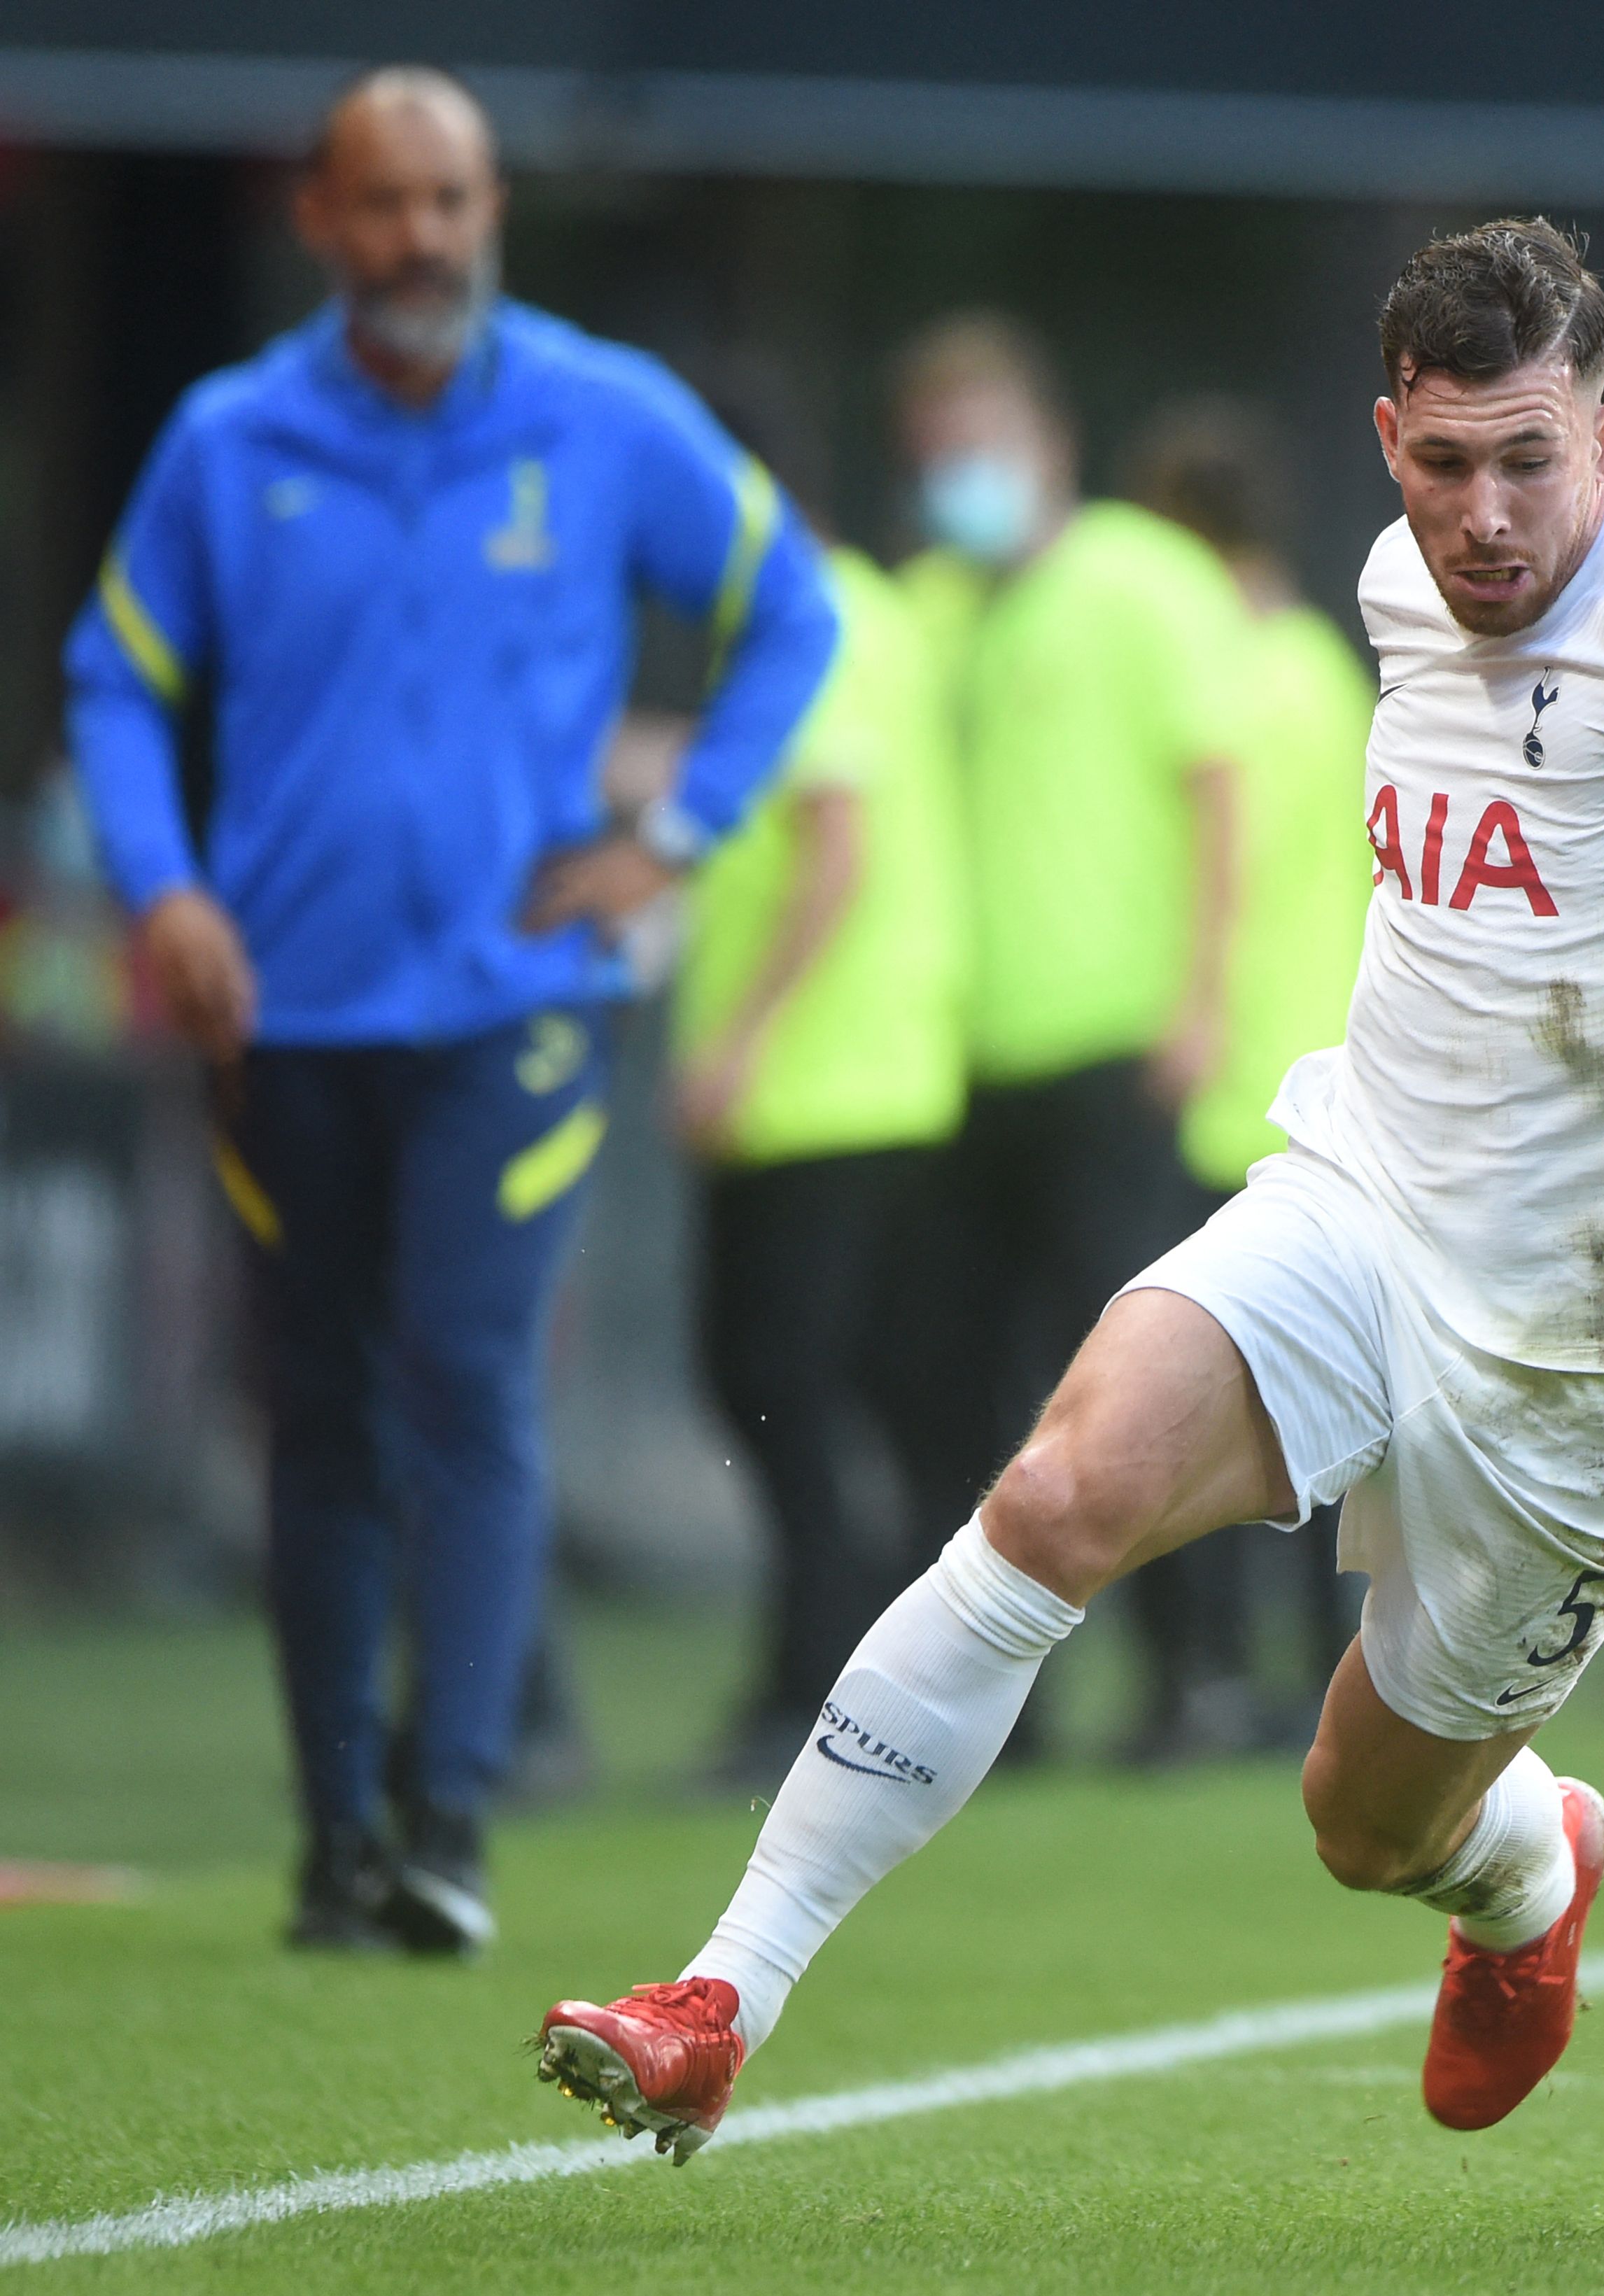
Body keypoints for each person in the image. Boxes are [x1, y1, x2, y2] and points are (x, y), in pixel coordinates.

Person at [536, 216, 1604, 2160]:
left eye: (1531, 463)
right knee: (1056, 1486)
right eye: (1440, 464)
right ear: (1387, 433)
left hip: (1591, 1334)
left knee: (1364, 1824)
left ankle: (1529, 1874)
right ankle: (725, 1992)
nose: (1482, 519)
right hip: (1364, 1193)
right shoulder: (1398, 584)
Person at [62, 67, 836, 1954]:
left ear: (491, 214)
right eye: (386, 204)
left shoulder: (598, 417)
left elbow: (790, 605)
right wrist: (165, 892)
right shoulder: (229, 441)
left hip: (516, 1001)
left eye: (455, 201)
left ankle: (452, 1822)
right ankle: (339, 1835)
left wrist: (676, 832)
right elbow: (110, 680)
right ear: (321, 221)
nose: (423, 238)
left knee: (471, 1382)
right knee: (318, 1414)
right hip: (286, 1014)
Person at [868, 318, 1253, 1756]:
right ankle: (997, 1707)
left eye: (976, 445)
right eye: (935, 455)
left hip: (1111, 1053)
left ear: (1047, 444)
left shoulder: (1144, 585)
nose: (955, 477)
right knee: (961, 1383)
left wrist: (1199, 998)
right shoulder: (929, 611)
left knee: (1148, 1394)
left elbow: (1221, 794)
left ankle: (1192, 1674)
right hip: (966, 1062)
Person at [673, 389, 969, 1790]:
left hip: (824, 1080)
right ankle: (854, 1677)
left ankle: (819, 1684)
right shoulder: (852, 610)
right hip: (861, 1075)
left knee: (776, 1383)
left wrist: (738, 1035)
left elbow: (834, 847)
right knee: (817, 1385)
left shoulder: (819, 619)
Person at [1119, 396, 1377, 1754]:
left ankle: (1214, 1677)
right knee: (1304, 1402)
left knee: (1213, 1402)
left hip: (1232, 1078)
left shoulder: (1222, 673)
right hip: (1310, 1064)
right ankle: (1306, 1676)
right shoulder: (1319, 670)